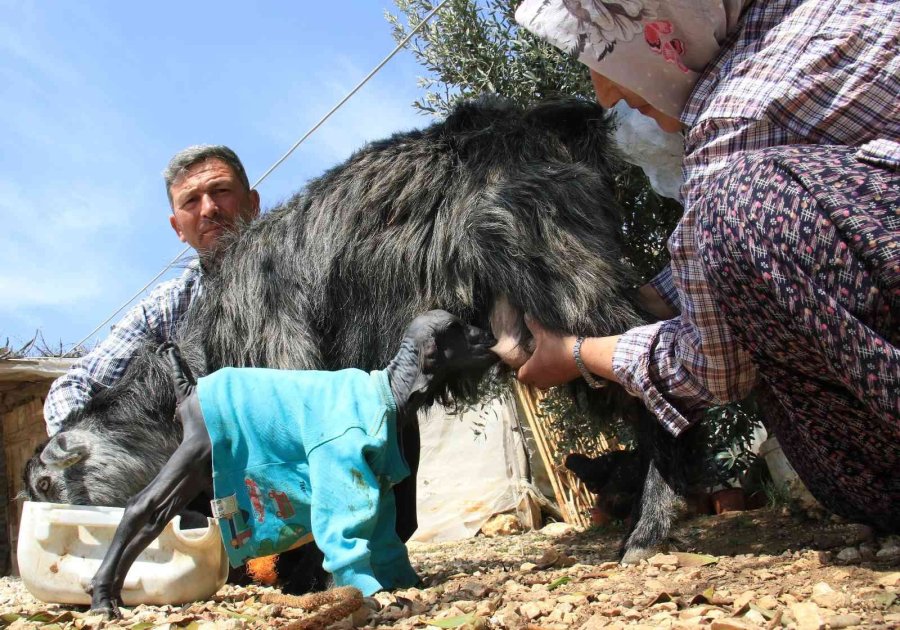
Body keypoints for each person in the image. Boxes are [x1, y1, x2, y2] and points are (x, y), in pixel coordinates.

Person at [514, 0, 899, 528]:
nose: (605, 94)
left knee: (741, 205)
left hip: (878, 471)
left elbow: (714, 369)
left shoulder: (734, 125)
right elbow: (834, 225)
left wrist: (578, 353)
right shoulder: (819, 21)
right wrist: (647, 299)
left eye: (608, 51)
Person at [43, 145, 261, 436]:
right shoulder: (167, 306)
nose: (209, 209)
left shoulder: (302, 266)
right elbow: (75, 384)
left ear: (253, 203)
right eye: (191, 201)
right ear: (178, 228)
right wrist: (80, 448)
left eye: (221, 191)